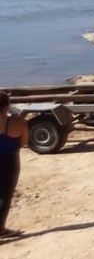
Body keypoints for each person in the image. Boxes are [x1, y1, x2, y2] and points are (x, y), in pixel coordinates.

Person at [0, 91, 28, 239]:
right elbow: (23, 143)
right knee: (5, 194)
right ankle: (1, 229)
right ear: (7, 106)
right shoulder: (19, 122)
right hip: (9, 160)